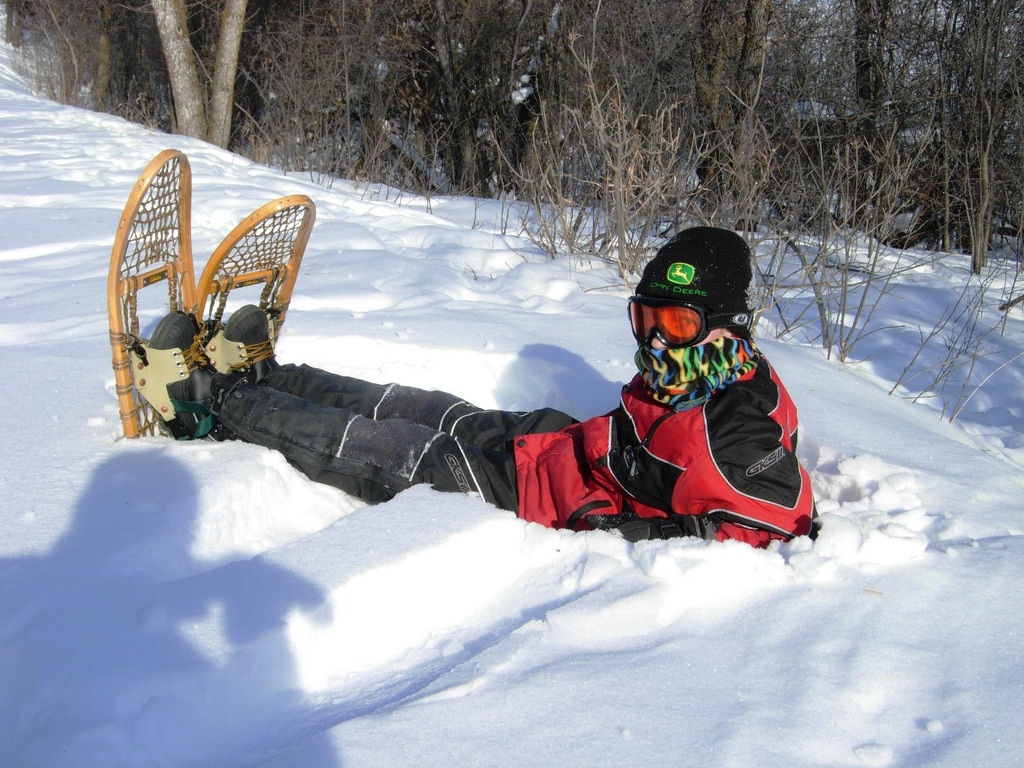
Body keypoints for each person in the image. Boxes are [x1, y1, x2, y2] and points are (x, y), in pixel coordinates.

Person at [143, 226, 817, 548]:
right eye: (647, 318)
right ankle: (269, 379)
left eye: (677, 323)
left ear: (725, 324)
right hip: (569, 445)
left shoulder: (735, 435)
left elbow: (779, 520)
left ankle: (208, 405)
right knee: (423, 406)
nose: (658, 340)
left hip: (549, 496)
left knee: (388, 446)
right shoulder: (725, 366)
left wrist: (632, 529)